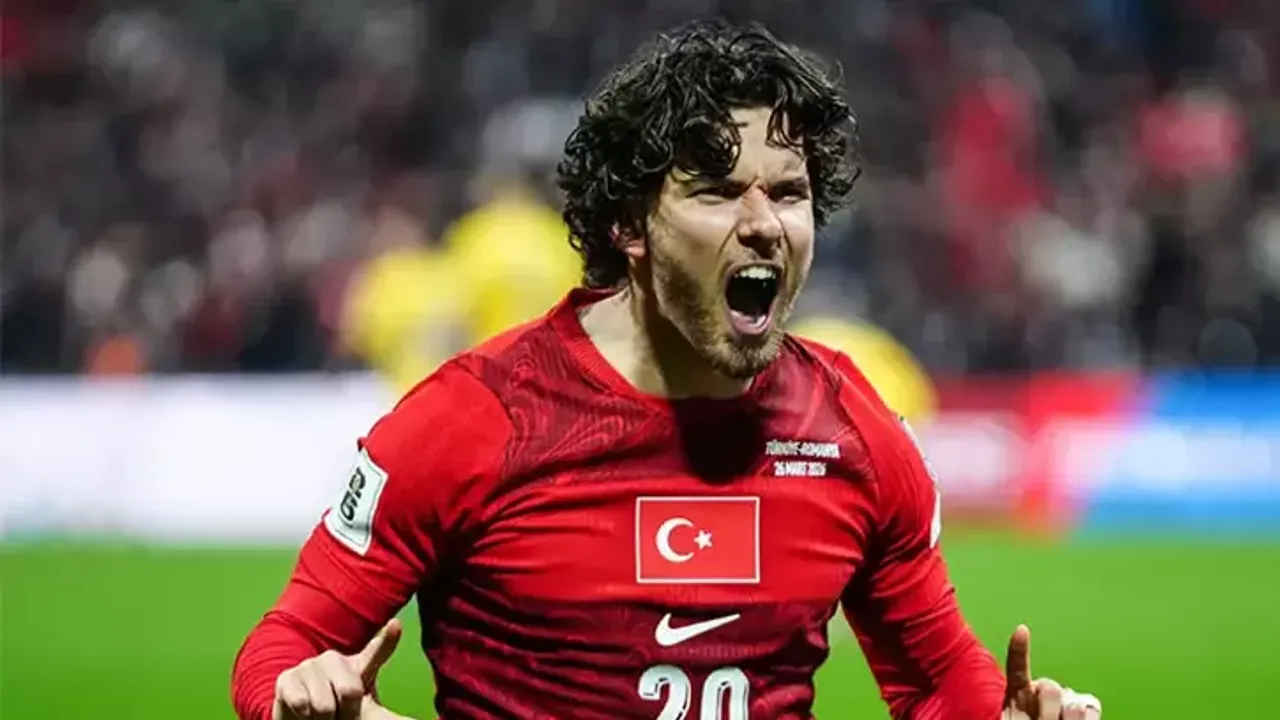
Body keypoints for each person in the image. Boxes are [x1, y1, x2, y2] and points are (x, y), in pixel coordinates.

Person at [231, 20, 1101, 720]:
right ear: (629, 226)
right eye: (718, 191)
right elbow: (279, 653)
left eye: (788, 192)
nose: (764, 224)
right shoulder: (470, 420)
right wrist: (303, 700)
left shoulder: (855, 436)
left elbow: (939, 683)